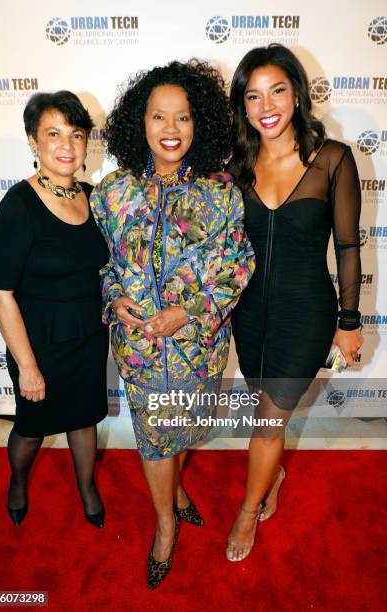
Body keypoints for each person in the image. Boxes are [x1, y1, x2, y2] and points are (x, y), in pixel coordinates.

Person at [91, 60, 255, 588]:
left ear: (198, 123)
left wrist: (188, 311)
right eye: (158, 117)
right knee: (155, 439)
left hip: (197, 347)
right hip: (138, 350)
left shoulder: (221, 193)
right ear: (139, 123)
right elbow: (100, 266)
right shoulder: (111, 194)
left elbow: (238, 265)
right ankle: (165, 526)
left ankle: (177, 489)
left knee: (184, 429)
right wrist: (114, 298)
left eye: (181, 118)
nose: (169, 130)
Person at [226, 44, 363, 561]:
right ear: (243, 105)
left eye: (277, 90)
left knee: (268, 421)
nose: (267, 105)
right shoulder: (236, 167)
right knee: (264, 410)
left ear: (297, 93)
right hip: (249, 314)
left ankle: (247, 512)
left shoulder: (332, 159)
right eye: (253, 95)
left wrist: (349, 322)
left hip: (307, 313)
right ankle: (275, 473)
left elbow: (348, 245)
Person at [0, 91, 109, 529]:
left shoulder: (95, 198)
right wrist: (27, 367)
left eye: (76, 135)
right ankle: (18, 483)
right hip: (37, 343)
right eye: (53, 133)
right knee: (32, 427)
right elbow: (0, 294)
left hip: (89, 337)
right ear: (32, 141)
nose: (66, 145)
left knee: (85, 418)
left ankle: (87, 487)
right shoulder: (18, 207)